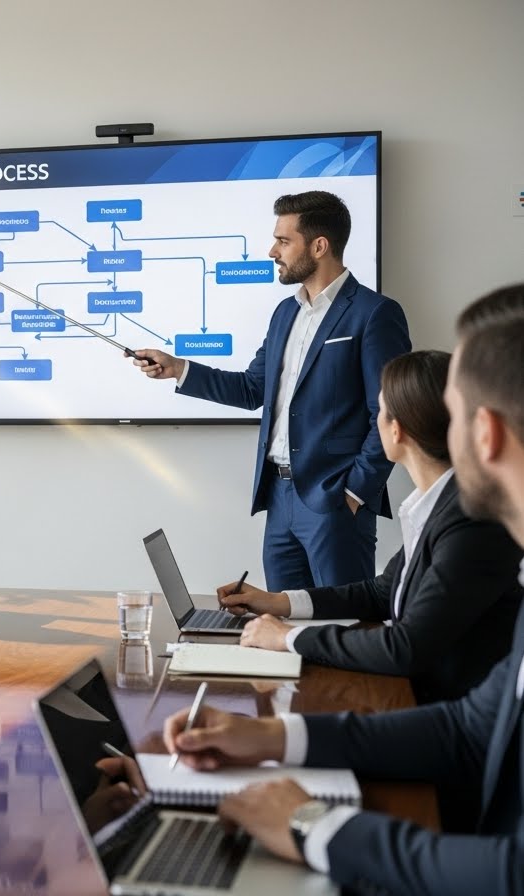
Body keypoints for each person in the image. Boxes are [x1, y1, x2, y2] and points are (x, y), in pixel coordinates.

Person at [159, 285, 524, 894]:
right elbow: (468, 728)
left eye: (452, 414)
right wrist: (273, 736)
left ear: (482, 433)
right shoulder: (458, 527)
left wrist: (311, 825)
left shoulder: (467, 521)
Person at [133, 192, 411, 591]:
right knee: (281, 626)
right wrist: (178, 368)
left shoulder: (375, 313)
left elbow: (390, 413)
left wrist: (354, 493)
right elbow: (252, 389)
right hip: (278, 499)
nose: (271, 251)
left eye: (283, 241)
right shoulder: (285, 312)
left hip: (334, 500)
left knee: (342, 627)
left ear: (319, 246)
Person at [218, 350, 522, 706]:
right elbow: (380, 593)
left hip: (445, 717)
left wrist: (288, 638)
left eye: (378, 411)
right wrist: (278, 602)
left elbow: (406, 647)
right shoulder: (438, 504)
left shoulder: (471, 520)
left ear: (396, 429)